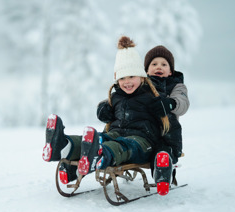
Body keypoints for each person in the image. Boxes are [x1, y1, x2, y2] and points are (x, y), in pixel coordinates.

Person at [42, 36, 173, 195]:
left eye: (132, 76)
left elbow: (172, 112)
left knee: (120, 146)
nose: (127, 82)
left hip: (142, 141)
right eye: (122, 78)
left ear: (141, 76)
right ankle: (63, 145)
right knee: (98, 137)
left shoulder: (151, 95)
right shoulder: (117, 96)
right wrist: (103, 109)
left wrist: (164, 108)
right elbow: (107, 112)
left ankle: (100, 155)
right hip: (116, 133)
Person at [143, 45, 190, 191]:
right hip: (143, 132)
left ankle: (163, 174)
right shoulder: (140, 84)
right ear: (146, 70)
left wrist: (171, 103)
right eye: (154, 64)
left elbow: (183, 103)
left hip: (166, 133)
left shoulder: (177, 86)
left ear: (170, 71)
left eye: (164, 64)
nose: (159, 67)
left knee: (163, 150)